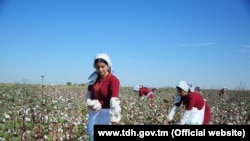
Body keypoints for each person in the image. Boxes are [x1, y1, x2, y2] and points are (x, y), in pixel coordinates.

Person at [85, 53, 121, 141]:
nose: (100, 69)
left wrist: (115, 119)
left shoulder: (113, 80)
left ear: (108, 66)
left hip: (107, 114)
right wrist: (89, 103)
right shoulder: (93, 79)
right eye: (98, 67)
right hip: (94, 114)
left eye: (103, 66)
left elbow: (114, 100)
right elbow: (89, 94)